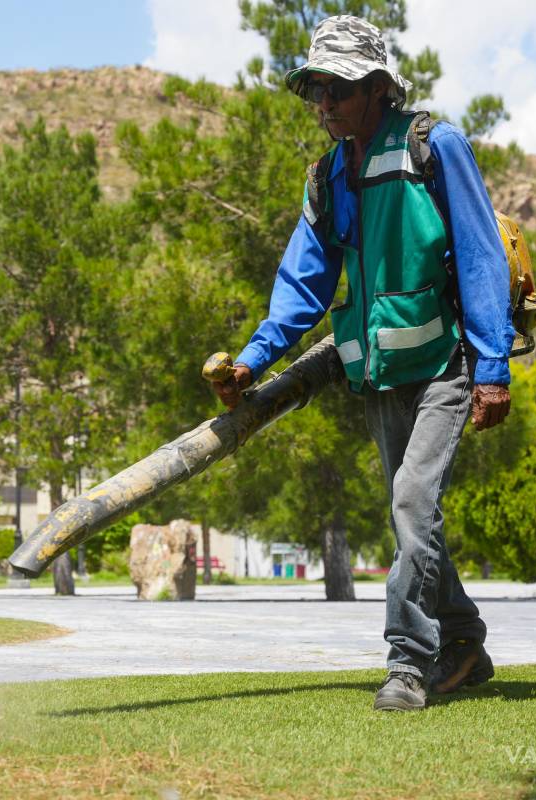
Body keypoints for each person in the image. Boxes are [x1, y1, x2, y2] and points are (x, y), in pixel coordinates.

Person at [212, 16, 514, 711]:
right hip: (379, 376)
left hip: (446, 365)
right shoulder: (330, 177)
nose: (324, 106)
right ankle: (464, 640)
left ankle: (409, 663)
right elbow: (304, 284)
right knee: (417, 518)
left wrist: (493, 367)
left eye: (338, 90)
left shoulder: (433, 148)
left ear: (378, 88)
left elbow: (479, 255)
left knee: (412, 503)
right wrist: (253, 361)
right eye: (316, 91)